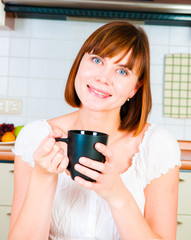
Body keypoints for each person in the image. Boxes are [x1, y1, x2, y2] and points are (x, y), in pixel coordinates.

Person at [8, 21, 181, 240]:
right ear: (79, 63)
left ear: (135, 88)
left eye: (122, 71)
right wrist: (43, 177)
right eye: (97, 60)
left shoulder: (157, 146)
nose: (103, 78)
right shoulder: (35, 138)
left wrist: (117, 194)